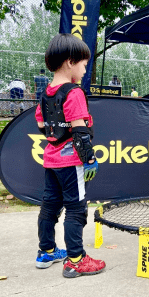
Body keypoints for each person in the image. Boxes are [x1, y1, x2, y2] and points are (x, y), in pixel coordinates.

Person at [34, 33, 105, 278]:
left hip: (51, 160)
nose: (86, 69)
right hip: (71, 162)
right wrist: (89, 159)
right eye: (84, 64)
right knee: (76, 208)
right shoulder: (73, 93)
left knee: (49, 206)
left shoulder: (46, 94)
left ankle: (46, 251)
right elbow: (80, 131)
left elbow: (42, 127)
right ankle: (76, 259)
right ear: (70, 62)